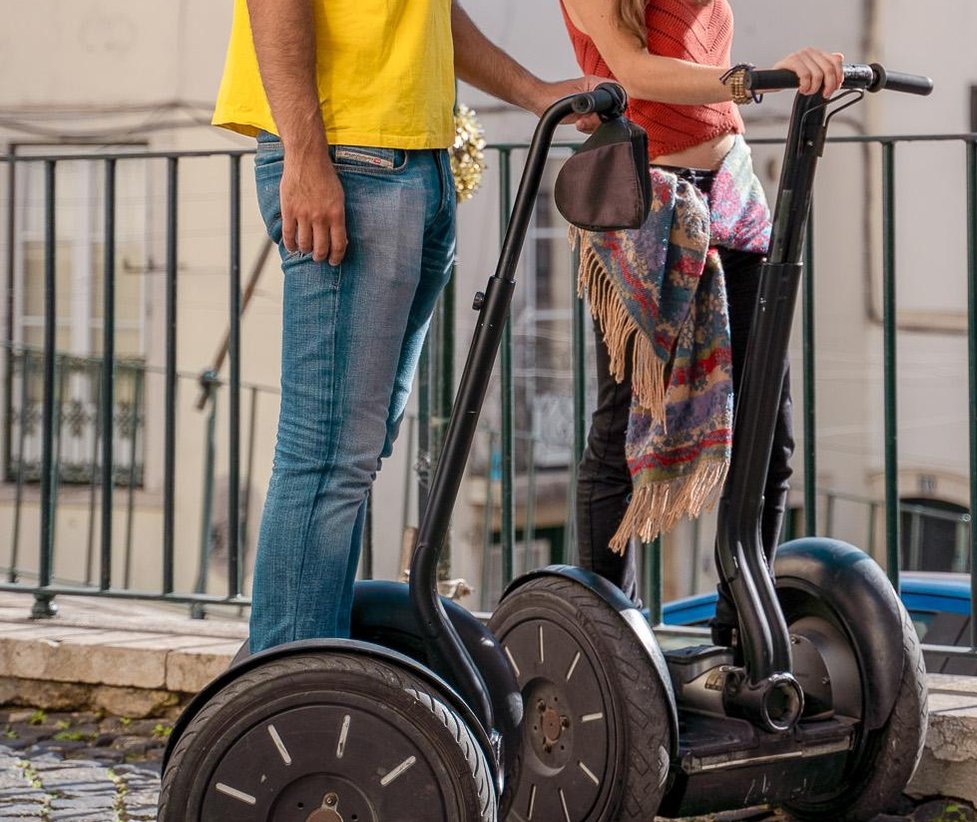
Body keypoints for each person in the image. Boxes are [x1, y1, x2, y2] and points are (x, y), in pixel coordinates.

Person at [213, 0, 593, 651]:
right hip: (349, 155)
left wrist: (535, 93)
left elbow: (426, 13)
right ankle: (285, 700)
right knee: (326, 454)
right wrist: (306, 156)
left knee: (355, 454)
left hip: (419, 159)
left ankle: (299, 672)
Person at [561, 0, 843, 643]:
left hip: (733, 188)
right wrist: (752, 78)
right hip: (647, 196)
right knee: (623, 429)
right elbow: (634, 73)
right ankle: (610, 640)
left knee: (771, 434)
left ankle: (740, 634)